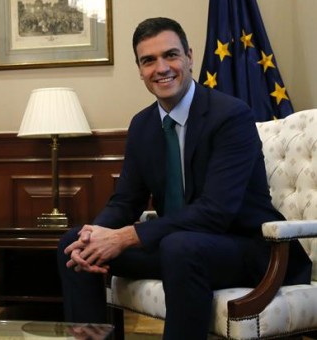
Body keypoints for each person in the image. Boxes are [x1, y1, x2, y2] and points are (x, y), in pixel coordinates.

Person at [57, 17, 312, 339]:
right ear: (139, 69)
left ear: (189, 56)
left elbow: (216, 211)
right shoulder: (143, 125)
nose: (161, 68)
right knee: (73, 244)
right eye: (149, 60)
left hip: (250, 249)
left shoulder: (231, 115)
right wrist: (95, 235)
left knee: (180, 246)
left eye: (171, 55)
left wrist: (124, 237)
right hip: (179, 246)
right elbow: (126, 199)